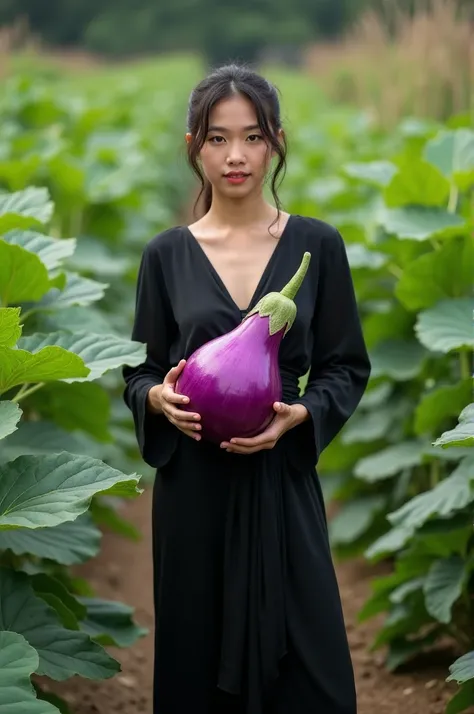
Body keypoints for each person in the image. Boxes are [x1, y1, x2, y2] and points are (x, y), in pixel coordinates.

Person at [123, 63, 371, 714]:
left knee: (312, 676)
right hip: (194, 492)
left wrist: (301, 416)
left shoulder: (317, 245)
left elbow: (347, 365)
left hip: (280, 483)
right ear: (193, 147)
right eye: (217, 138)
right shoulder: (165, 255)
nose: (236, 156)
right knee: (194, 669)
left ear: (277, 142)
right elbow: (139, 369)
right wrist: (156, 399)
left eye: (253, 137)